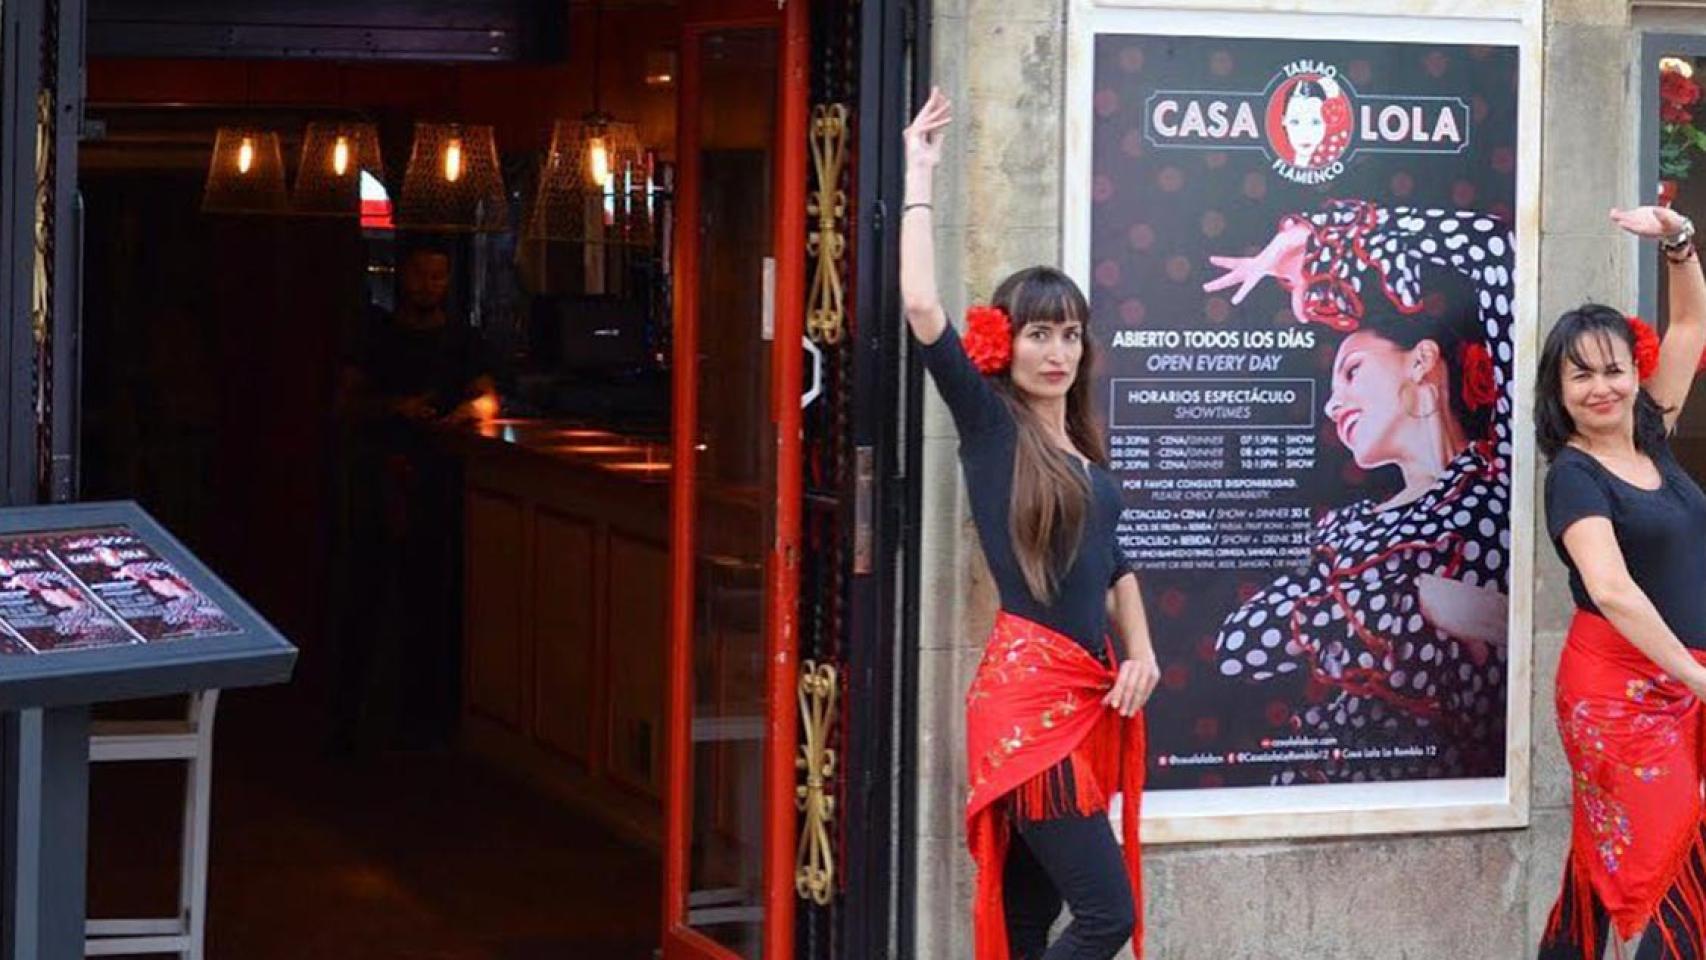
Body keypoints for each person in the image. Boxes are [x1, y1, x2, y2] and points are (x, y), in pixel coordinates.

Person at [902, 88, 1157, 960]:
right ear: (1003, 343)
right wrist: (920, 174)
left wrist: (1143, 653)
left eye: (1071, 336)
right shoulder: (991, 429)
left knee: (1025, 922)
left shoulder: (1083, 450)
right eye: (1040, 334)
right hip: (1028, 706)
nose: (1057, 352)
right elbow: (923, 309)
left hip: (1085, 696)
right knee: (1106, 917)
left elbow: (1115, 563)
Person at [1203, 203, 1515, 782]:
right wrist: (1413, 596)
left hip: (1453, 787)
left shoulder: (1504, 470)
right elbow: (1239, 645)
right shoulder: (1346, 528)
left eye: (1352, 371)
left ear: (1421, 361)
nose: (1332, 404)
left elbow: (1490, 248)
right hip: (1321, 782)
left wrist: (1319, 236)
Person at [1537, 205, 1706, 960]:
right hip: (1618, 697)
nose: (1601, 388)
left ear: (1636, 375)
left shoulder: (1650, 438)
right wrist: (1696, 679)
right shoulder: (1575, 477)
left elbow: (1690, 328)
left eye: (1614, 370)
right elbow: (1611, 590)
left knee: (1599, 869)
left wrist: (1677, 240)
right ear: (1559, 390)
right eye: (1582, 375)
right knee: (1676, 876)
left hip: (1682, 681)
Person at [330, 242, 495, 753]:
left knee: (434, 598)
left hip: (439, 481)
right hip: (379, 476)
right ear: (402, 276)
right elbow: (345, 401)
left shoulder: (462, 339)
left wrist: (464, 414)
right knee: (365, 595)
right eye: (421, 274)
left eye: (438, 276)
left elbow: (488, 397)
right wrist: (395, 407)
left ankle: (426, 719)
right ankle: (351, 718)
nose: (429, 285)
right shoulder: (376, 335)